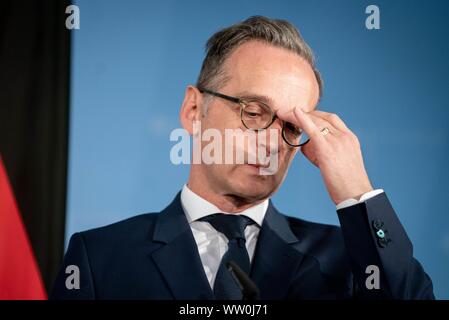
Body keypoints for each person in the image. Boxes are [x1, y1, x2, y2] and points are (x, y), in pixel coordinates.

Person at [51, 16, 434, 300]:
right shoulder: (100, 257)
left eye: (291, 127)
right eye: (253, 112)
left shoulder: (347, 261)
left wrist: (357, 191)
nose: (272, 143)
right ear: (193, 109)